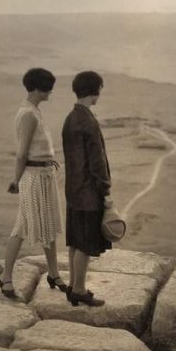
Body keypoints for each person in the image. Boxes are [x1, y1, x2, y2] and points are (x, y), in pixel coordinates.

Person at [0, 68, 67, 299]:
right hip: (35, 177)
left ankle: (54, 274)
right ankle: (7, 279)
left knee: (41, 225)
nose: (51, 91)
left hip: (43, 176)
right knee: (23, 226)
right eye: (48, 87)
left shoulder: (33, 111)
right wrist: (15, 180)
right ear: (38, 88)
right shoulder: (28, 114)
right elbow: (21, 153)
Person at [62, 70, 111, 307]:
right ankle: (79, 290)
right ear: (94, 91)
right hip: (88, 193)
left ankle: (73, 286)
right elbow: (97, 162)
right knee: (85, 243)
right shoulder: (88, 122)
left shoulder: (71, 118)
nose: (100, 93)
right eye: (99, 89)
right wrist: (105, 189)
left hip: (73, 190)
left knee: (75, 241)